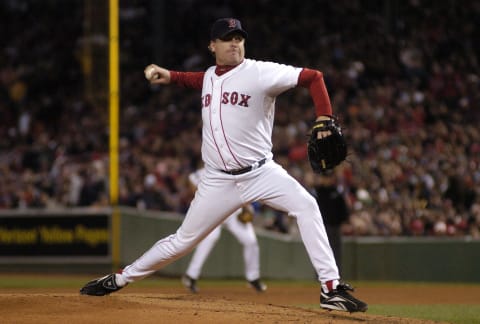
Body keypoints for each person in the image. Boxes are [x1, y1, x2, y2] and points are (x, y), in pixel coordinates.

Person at [80, 17, 367, 313]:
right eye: (228, 38)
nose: (234, 43)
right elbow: (200, 80)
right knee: (182, 241)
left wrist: (324, 117)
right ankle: (119, 279)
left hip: (261, 172)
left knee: (307, 205)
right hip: (217, 181)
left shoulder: (261, 72)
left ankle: (331, 289)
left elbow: (313, 77)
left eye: (239, 38)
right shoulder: (209, 76)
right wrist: (170, 75)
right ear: (212, 45)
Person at [181, 168, 266, 293]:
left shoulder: (239, 168)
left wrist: (247, 207)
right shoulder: (213, 167)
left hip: (233, 208)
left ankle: (253, 278)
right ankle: (191, 276)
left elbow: (243, 190)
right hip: (213, 207)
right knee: (211, 237)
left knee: (250, 241)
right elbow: (191, 178)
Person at [313, 172, 350, 273]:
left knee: (335, 252)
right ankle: (320, 276)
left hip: (335, 227)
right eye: (325, 177)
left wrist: (344, 222)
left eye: (328, 177)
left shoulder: (337, 192)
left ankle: (336, 275)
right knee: (321, 252)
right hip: (321, 227)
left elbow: (343, 210)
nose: (326, 180)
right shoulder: (317, 192)